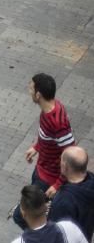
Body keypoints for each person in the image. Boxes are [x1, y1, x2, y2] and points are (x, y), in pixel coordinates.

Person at [10, 72, 76, 230]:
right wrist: (37, 147)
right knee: (35, 212)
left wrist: (58, 184)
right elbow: (47, 136)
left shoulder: (58, 122)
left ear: (38, 94)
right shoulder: (48, 110)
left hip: (48, 181)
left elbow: (71, 154)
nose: (29, 91)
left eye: (31, 88)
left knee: (19, 216)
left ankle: (39, 241)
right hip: (40, 171)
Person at [49, 146, 94, 241]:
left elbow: (56, 233)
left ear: (65, 166)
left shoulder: (63, 201)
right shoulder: (91, 180)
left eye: (61, 160)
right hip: (86, 237)